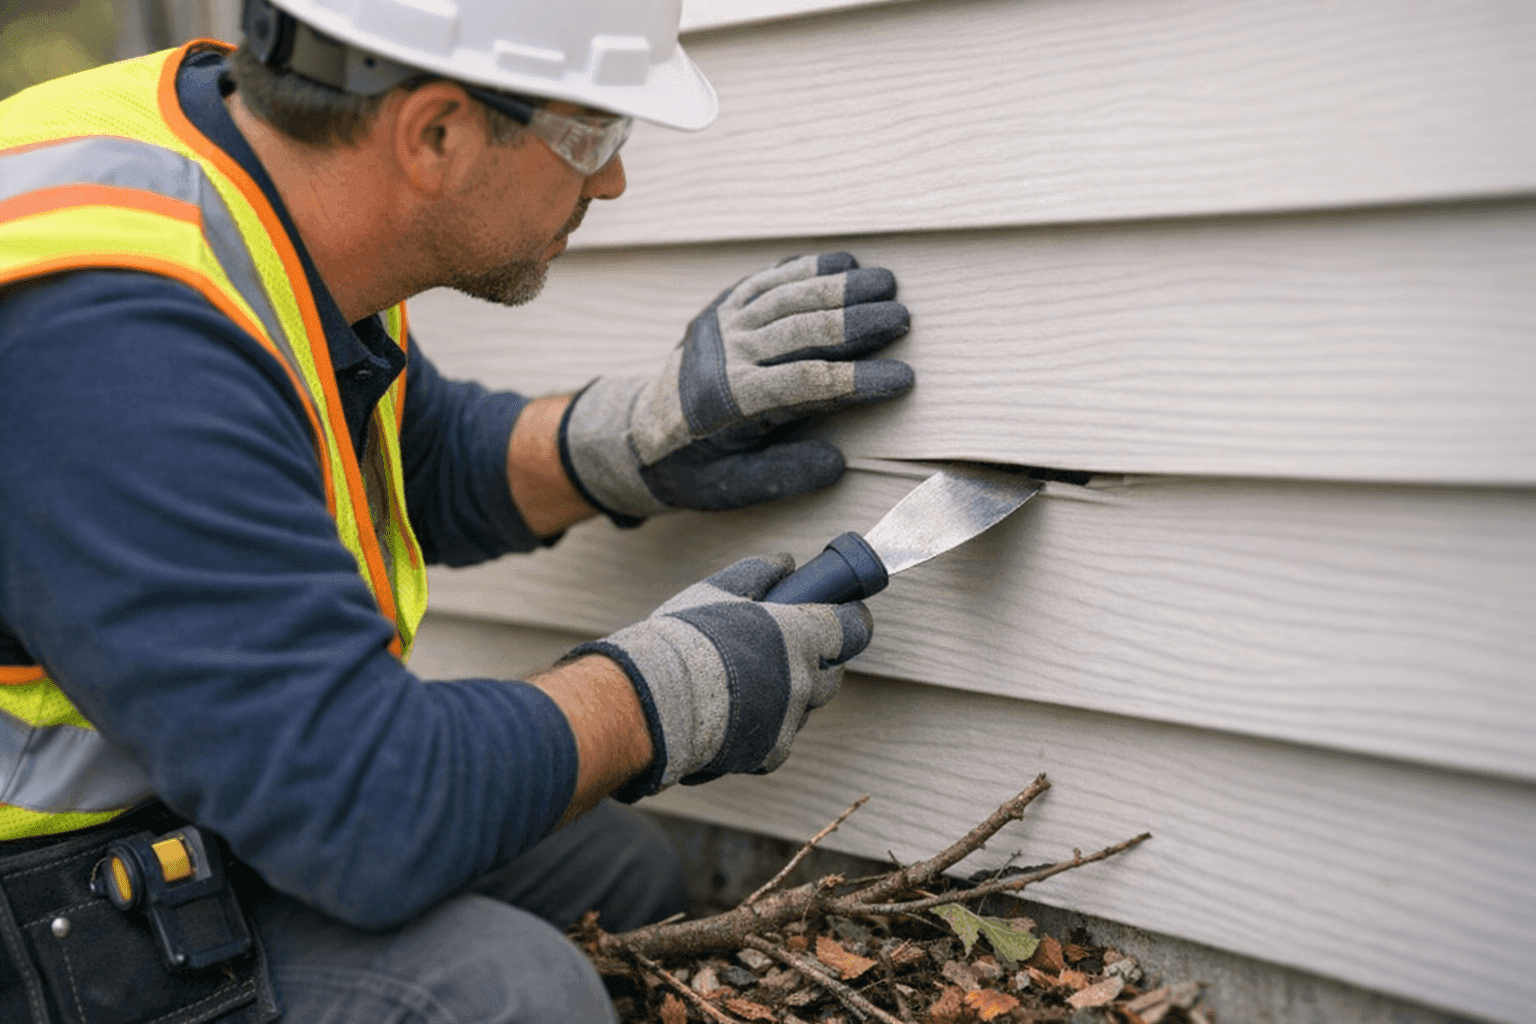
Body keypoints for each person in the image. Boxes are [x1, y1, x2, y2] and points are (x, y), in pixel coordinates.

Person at [0, 0, 914, 1021]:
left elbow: (406, 453)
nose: (611, 177)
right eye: (595, 133)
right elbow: (362, 811)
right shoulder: (112, 341)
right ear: (435, 132)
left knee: (612, 878)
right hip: (31, 909)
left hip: (183, 798)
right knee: (509, 996)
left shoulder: (254, 179)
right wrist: (655, 695)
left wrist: (630, 436)